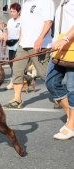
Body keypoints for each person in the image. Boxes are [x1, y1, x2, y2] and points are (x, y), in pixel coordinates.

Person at [2, 0, 55, 109]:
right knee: (17, 71)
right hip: (23, 45)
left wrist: (40, 39)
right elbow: (23, 26)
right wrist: (20, 43)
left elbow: (49, 22)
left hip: (40, 44)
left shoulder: (47, 2)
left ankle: (59, 96)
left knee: (44, 74)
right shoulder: (25, 4)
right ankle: (17, 100)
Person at [45, 0, 74, 140]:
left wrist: (66, 39)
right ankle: (71, 118)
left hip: (71, 45)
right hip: (60, 47)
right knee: (51, 82)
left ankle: (71, 126)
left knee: (72, 88)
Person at [2, 2, 21, 90]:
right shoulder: (9, 21)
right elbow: (7, 33)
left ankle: (12, 82)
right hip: (10, 44)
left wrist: (20, 44)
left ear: (18, 11)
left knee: (16, 64)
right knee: (11, 63)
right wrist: (4, 45)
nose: (12, 13)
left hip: (18, 44)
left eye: (13, 11)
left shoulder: (22, 20)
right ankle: (17, 80)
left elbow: (22, 33)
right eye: (11, 11)